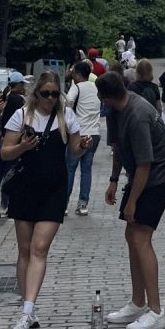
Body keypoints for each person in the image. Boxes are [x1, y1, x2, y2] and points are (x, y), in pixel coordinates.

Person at [0, 70, 88, 329]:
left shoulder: (66, 117)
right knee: (25, 251)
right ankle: (29, 302)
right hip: (25, 188)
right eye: (45, 93)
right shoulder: (21, 116)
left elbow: (74, 149)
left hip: (54, 190)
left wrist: (84, 145)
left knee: (40, 248)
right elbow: (5, 153)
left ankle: (26, 312)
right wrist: (23, 147)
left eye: (54, 94)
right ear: (36, 93)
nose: (50, 99)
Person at [98, 71, 165, 329]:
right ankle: (137, 301)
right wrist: (112, 179)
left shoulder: (137, 115)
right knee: (131, 234)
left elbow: (145, 165)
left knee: (141, 236)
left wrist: (131, 202)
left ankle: (156, 311)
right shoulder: (118, 110)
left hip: (159, 176)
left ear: (104, 97)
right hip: (143, 175)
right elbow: (120, 149)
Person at [0, 70, 26, 219]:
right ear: (19, 85)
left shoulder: (5, 97)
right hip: (11, 141)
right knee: (9, 174)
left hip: (1, 138)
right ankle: (4, 206)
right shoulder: (18, 100)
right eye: (23, 84)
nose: (25, 87)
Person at [64, 60, 102, 215]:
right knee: (86, 170)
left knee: (70, 169)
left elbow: (69, 100)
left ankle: (64, 203)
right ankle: (83, 204)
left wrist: (70, 112)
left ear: (79, 75)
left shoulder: (77, 87)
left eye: (73, 72)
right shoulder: (96, 87)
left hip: (79, 133)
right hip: (94, 133)